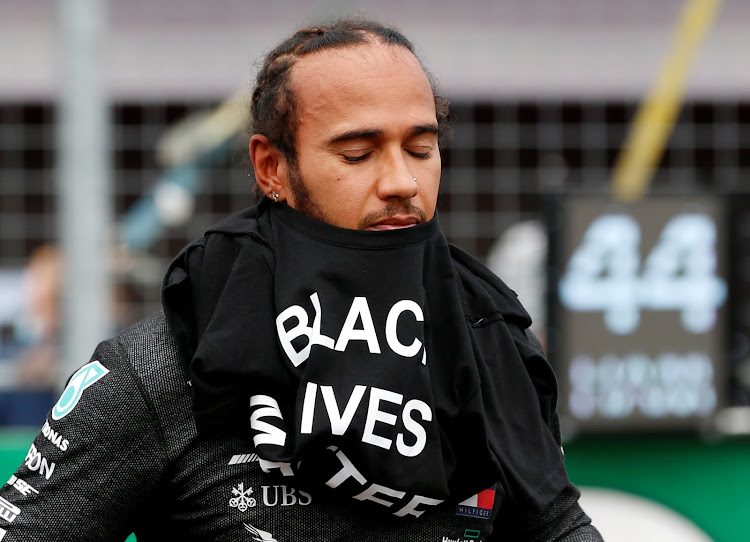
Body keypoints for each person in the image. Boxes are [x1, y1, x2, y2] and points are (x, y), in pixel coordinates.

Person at [0, 19, 603, 541]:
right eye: (358, 154)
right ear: (272, 168)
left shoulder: (494, 348)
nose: (401, 182)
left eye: (421, 148)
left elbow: (554, 526)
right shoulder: (165, 368)